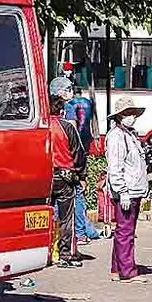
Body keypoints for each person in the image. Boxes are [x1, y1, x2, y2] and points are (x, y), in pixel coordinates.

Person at [104, 96, 149, 283]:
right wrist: (122, 191)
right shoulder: (117, 136)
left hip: (133, 189)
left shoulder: (129, 134)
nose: (132, 117)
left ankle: (117, 268)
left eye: (133, 113)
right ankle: (127, 271)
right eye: (127, 113)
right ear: (119, 116)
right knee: (126, 232)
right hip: (126, 191)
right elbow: (115, 166)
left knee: (124, 231)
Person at [50, 77, 87, 268]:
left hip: (46, 177)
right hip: (65, 178)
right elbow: (78, 153)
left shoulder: (42, 127)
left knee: (47, 216)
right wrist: (82, 176)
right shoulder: (66, 127)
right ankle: (65, 254)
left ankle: (48, 251)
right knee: (66, 218)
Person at [64, 85, 101, 245]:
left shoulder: (69, 107)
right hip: (82, 145)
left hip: (67, 155)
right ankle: (80, 233)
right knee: (78, 196)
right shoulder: (86, 103)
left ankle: (69, 235)